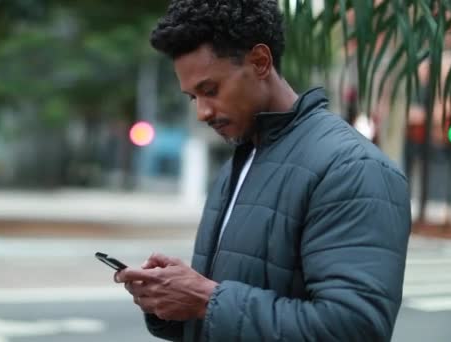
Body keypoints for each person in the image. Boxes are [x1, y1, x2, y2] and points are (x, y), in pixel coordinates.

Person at [114, 1, 412, 341]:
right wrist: (170, 302)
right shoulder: (238, 163)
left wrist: (204, 299)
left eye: (210, 90)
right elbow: (224, 308)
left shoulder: (353, 169)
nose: (203, 112)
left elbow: (354, 330)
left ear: (260, 61)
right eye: (193, 97)